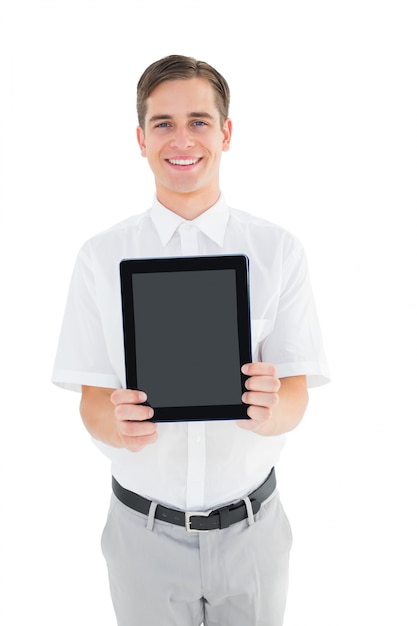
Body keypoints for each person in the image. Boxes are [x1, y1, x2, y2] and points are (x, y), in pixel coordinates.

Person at [52, 54, 330, 626]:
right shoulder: (101, 258)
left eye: (199, 121)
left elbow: (298, 392)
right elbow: (92, 399)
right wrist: (116, 424)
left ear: (226, 133)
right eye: (163, 123)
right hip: (142, 536)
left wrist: (272, 410)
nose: (182, 139)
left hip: (253, 534)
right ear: (140, 138)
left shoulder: (278, 251)